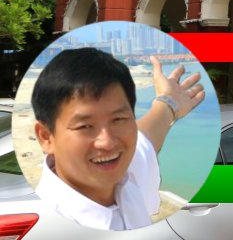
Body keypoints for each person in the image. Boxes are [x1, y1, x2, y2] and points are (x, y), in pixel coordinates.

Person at [31, 48, 205, 231]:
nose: (107, 142)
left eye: (118, 119)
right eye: (84, 126)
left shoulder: (126, 172)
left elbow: (147, 137)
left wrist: (169, 102)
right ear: (46, 137)